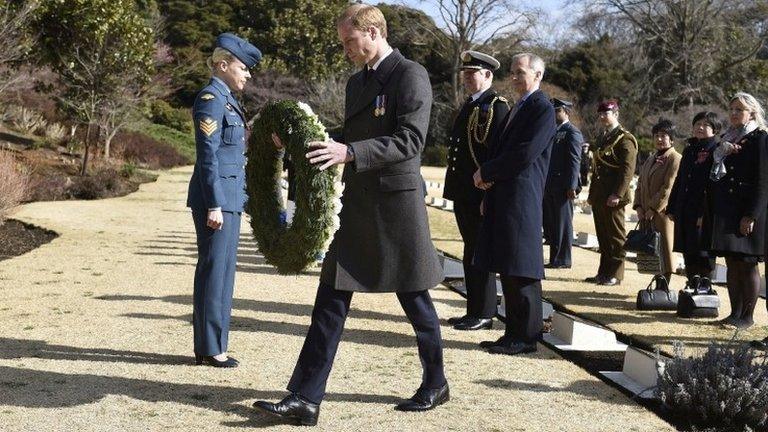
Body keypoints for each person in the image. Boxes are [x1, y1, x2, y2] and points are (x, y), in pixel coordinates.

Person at [253, 5, 448, 426]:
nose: (344, 49)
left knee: (416, 300)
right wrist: (299, 140)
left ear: (373, 32)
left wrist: (351, 152)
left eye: (348, 41)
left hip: (397, 209)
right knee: (330, 300)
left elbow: (410, 141)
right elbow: (348, 137)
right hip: (357, 207)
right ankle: (305, 397)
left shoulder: (409, 74)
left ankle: (436, 382)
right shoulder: (357, 81)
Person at [471, 52, 556, 356]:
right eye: (513, 73)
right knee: (508, 265)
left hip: (522, 198)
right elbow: (499, 149)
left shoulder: (542, 109)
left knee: (522, 268)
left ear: (537, 75)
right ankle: (513, 332)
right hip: (504, 195)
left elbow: (524, 153)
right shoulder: (519, 107)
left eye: (521, 72)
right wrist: (487, 189)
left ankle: (526, 336)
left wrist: (488, 172)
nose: (515, 78)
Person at [186, 33, 261, 368]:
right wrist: (215, 204)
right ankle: (211, 348)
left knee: (222, 272)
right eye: (243, 68)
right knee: (215, 272)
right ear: (222, 64)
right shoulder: (211, 98)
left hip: (229, 198)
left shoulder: (228, 99)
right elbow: (208, 156)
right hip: (216, 200)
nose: (247, 74)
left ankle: (211, 345)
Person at [443, 50, 509, 331]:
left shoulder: (496, 106)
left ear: (488, 75)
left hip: (480, 192)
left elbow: (496, 152)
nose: (468, 78)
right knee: (471, 251)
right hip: (463, 191)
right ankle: (473, 309)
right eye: (466, 74)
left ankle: (483, 312)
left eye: (474, 73)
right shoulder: (471, 105)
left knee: (480, 253)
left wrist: (488, 193)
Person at [705, 92, 768, 329]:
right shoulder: (726, 139)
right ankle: (734, 313)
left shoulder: (760, 139)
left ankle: (748, 317)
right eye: (731, 109)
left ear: (751, 112)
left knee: (747, 263)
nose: (733, 113)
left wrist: (752, 214)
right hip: (727, 210)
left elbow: (763, 180)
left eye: (739, 109)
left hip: (748, 211)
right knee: (731, 262)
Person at [585, 100, 638, 286]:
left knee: (616, 237)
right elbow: (597, 168)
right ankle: (603, 273)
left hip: (613, 195)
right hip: (600, 194)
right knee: (603, 237)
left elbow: (627, 170)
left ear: (616, 114)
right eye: (599, 114)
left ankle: (616, 274)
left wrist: (617, 193)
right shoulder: (604, 137)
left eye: (605, 114)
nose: (601, 117)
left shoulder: (624, 138)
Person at [668, 112, 720, 287]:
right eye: (697, 123)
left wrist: (705, 210)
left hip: (705, 208)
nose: (700, 127)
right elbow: (680, 179)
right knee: (688, 248)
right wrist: (672, 206)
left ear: (714, 129)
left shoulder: (717, 149)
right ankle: (691, 283)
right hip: (685, 207)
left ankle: (704, 287)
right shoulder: (690, 149)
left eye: (706, 125)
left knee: (703, 250)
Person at [632, 119, 682, 282]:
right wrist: (638, 206)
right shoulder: (651, 158)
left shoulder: (675, 158)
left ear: (672, 139)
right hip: (645, 212)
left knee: (664, 250)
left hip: (662, 214)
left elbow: (668, 187)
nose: (659, 139)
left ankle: (664, 285)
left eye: (664, 136)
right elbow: (640, 183)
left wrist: (653, 209)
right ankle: (656, 282)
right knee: (651, 251)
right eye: (657, 136)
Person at [543, 98, 583, 269]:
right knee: (552, 223)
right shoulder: (552, 131)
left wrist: (572, 185)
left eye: (557, 110)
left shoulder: (572, 132)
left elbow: (574, 161)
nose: (554, 113)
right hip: (550, 183)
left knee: (562, 223)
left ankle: (563, 259)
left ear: (566, 112)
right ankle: (555, 258)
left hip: (563, 185)